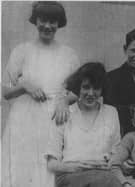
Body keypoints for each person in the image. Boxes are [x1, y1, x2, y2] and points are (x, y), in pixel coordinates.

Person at [2, 2, 80, 187]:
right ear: (35, 21)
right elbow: (4, 92)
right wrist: (24, 86)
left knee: (47, 167)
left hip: (55, 117)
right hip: (24, 119)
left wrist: (64, 101)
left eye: (53, 21)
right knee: (23, 166)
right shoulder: (22, 51)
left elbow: (79, 91)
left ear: (59, 23)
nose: (47, 26)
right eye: (43, 20)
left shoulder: (69, 54)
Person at [45, 62, 122, 187]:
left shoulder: (111, 112)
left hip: (103, 175)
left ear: (102, 89)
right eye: (86, 87)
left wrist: (110, 163)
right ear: (78, 88)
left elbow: (116, 152)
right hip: (70, 176)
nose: (91, 93)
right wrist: (75, 167)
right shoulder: (64, 113)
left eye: (96, 88)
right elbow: (51, 163)